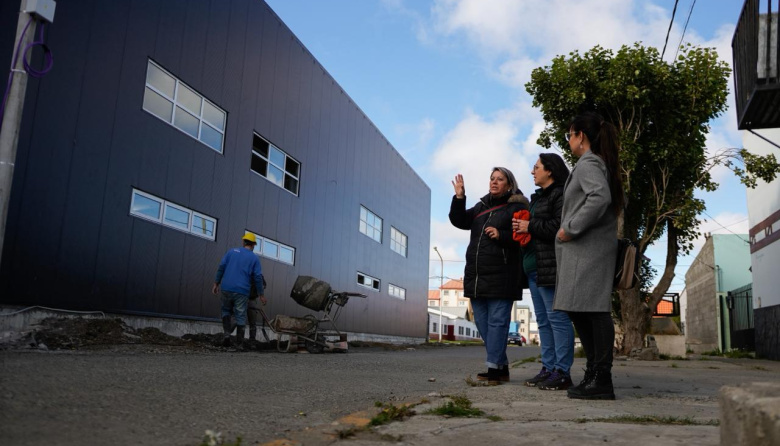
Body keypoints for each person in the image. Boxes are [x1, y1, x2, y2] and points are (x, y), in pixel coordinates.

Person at [554, 111, 624, 400]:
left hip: (588, 249)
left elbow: (599, 197)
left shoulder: (589, 163)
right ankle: (594, 373)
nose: (568, 140)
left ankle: (601, 377)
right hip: (586, 251)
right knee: (579, 309)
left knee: (594, 311)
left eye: (569, 135)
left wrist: (569, 228)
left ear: (580, 136)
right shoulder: (594, 162)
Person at [449, 167, 529, 384]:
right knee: (483, 324)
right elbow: (459, 221)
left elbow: (524, 236)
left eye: (499, 179)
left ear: (509, 184)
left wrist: (501, 235)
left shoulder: (517, 206)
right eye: (492, 178)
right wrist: (459, 197)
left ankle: (494, 369)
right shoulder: (481, 206)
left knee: (497, 323)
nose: (494, 182)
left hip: (503, 275)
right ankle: (501, 365)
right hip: (476, 275)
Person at [513, 153, 574, 390]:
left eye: (536, 167)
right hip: (534, 268)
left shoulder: (560, 194)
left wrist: (530, 225)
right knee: (544, 322)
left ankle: (562, 372)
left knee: (558, 320)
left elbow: (561, 227)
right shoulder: (537, 198)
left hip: (551, 267)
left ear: (550, 170)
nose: (532, 171)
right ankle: (548, 368)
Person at [212, 232, 267, 347]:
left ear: (243, 242)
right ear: (253, 245)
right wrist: (261, 294)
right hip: (241, 291)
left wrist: (216, 283)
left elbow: (221, 267)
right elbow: (258, 278)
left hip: (226, 288)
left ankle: (227, 335)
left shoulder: (231, 252)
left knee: (226, 311)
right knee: (240, 315)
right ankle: (239, 344)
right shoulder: (254, 258)